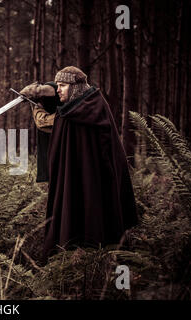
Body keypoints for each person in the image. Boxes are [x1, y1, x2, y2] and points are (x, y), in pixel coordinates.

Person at [20, 66, 138, 264]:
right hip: (94, 178)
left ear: (75, 88)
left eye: (63, 86)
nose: (58, 90)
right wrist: (40, 91)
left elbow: (46, 123)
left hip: (96, 179)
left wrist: (36, 106)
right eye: (57, 86)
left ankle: (82, 262)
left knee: (86, 219)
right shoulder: (94, 103)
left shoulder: (74, 114)